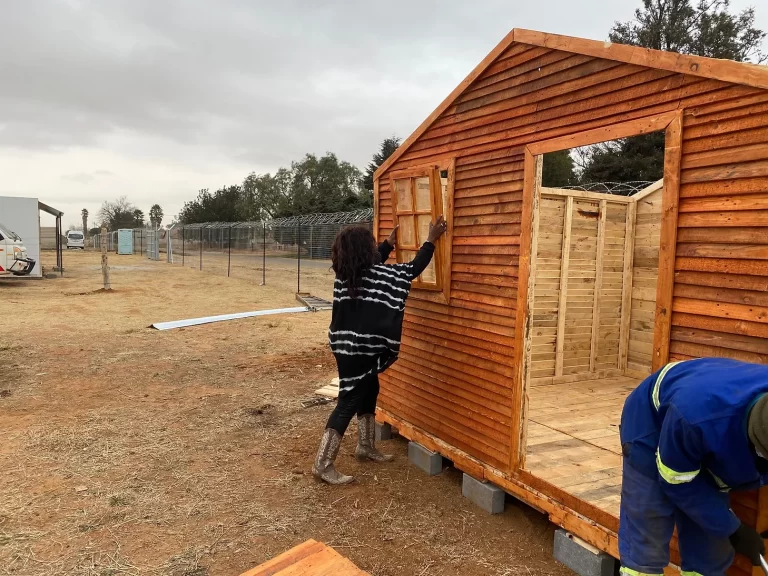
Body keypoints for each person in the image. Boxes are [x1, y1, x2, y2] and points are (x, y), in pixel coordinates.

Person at [312, 216, 447, 485]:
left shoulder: (345, 275)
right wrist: (431, 240)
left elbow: (374, 265)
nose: (376, 249)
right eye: (373, 246)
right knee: (348, 401)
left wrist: (387, 245)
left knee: (370, 389)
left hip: (346, 347)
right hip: (362, 350)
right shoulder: (377, 276)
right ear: (365, 252)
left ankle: (365, 446)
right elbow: (411, 269)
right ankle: (322, 464)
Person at [619, 357, 768, 576]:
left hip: (705, 415)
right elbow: (677, 482)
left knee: (711, 553)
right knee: (648, 531)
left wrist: (726, 526)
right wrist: (733, 529)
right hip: (651, 420)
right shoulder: (695, 416)